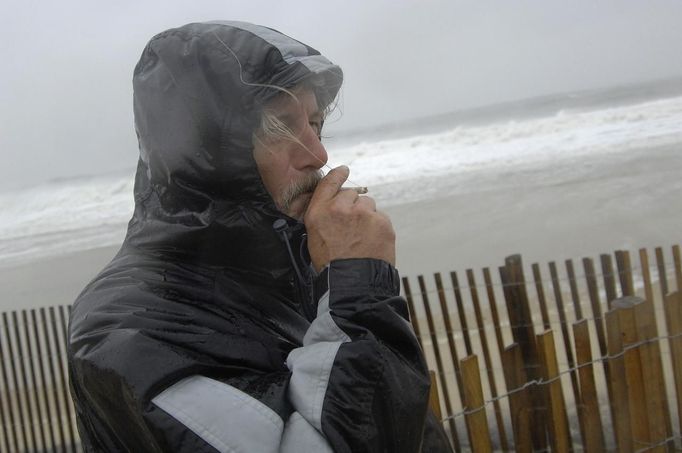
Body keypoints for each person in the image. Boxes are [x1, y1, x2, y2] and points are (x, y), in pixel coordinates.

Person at [68, 21, 453, 452]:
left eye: (314, 122)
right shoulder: (130, 333)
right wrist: (360, 294)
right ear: (210, 153)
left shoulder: (287, 266)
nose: (318, 154)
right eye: (278, 127)